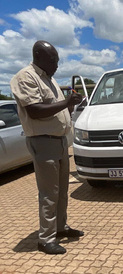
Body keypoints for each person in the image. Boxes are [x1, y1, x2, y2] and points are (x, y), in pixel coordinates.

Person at [10, 41, 84, 255]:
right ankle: (46, 239)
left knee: (61, 191)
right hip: (43, 142)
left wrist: (69, 106)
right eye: (53, 60)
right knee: (49, 193)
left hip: (59, 141)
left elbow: (58, 111)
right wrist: (64, 103)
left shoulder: (49, 80)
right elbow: (35, 110)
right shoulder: (26, 77)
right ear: (38, 56)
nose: (57, 65)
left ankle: (60, 228)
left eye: (57, 60)